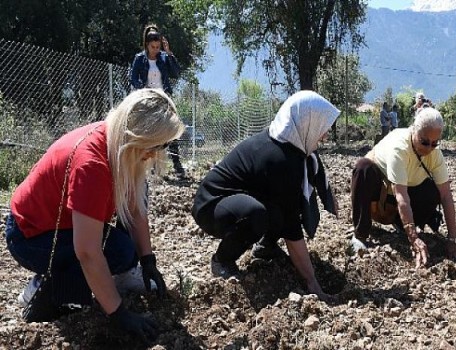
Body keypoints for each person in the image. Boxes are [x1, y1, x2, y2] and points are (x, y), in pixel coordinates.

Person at [5, 89, 184, 342]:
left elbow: (134, 209)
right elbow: (87, 251)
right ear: (138, 137)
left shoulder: (117, 142)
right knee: (115, 252)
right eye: (156, 145)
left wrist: (147, 260)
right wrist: (119, 313)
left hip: (57, 227)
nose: (157, 153)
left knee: (125, 252)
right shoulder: (93, 165)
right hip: (30, 237)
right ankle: (45, 287)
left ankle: (89, 278)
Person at [192, 91, 339, 301]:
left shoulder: (291, 144)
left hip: (237, 200)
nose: (324, 136)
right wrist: (312, 283)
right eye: (321, 128)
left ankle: (265, 247)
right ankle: (222, 260)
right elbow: (291, 228)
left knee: (280, 206)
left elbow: (293, 198)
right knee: (256, 214)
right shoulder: (280, 158)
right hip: (212, 206)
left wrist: (328, 191)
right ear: (307, 123)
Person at [350, 107, 456, 267]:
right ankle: (360, 235)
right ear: (414, 130)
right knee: (363, 168)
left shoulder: (436, 155)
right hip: (380, 198)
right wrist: (413, 237)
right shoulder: (399, 148)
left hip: (406, 195)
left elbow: (446, 196)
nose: (429, 148)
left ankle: (401, 225)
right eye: (424, 142)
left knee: (433, 190)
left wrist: (452, 238)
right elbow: (401, 196)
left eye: (434, 143)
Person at [129, 24, 185, 178]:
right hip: (148, 99)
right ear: (147, 45)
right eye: (153, 46)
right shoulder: (139, 59)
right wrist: (145, 90)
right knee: (152, 134)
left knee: (172, 130)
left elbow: (176, 73)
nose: (155, 49)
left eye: (158, 46)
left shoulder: (163, 57)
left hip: (164, 98)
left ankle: (177, 166)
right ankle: (152, 168)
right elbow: (133, 78)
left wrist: (169, 53)